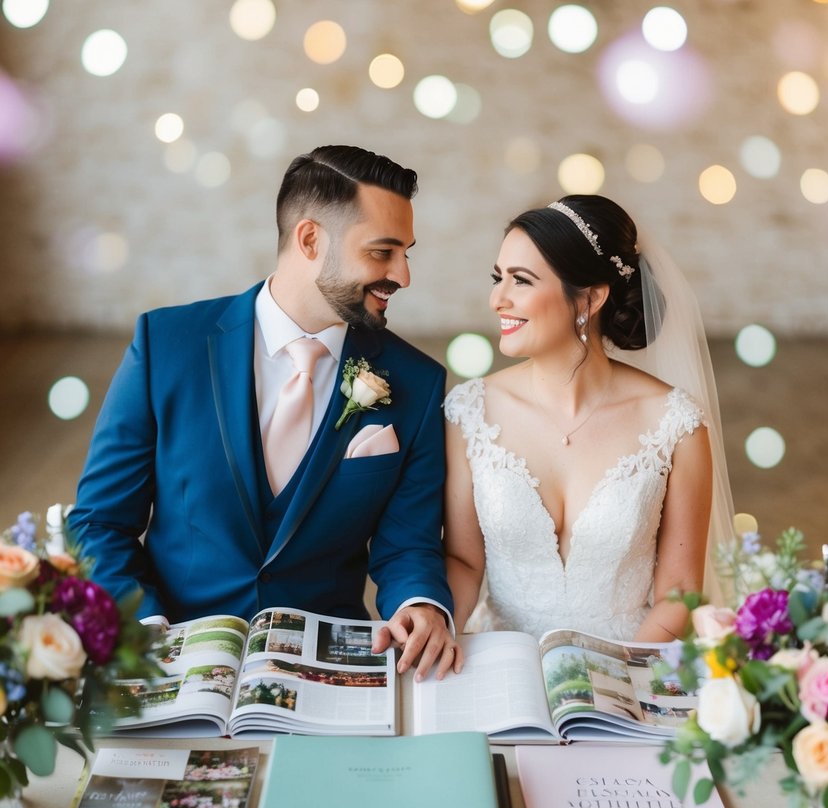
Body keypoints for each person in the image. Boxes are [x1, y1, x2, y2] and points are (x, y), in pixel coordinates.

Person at [68, 145, 461, 679]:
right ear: (309, 239)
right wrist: (142, 631)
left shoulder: (417, 381)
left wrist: (419, 603)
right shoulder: (167, 346)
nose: (403, 275)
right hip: (170, 657)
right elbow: (100, 522)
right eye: (383, 252)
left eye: (407, 253)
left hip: (327, 669)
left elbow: (408, 544)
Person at [443, 194, 733, 643]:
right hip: (502, 662)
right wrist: (440, 631)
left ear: (591, 297)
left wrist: (616, 676)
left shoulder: (677, 424)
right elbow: (463, 562)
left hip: (628, 669)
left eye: (521, 281)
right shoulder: (468, 412)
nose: (497, 299)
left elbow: (678, 591)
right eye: (498, 278)